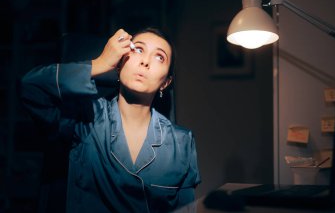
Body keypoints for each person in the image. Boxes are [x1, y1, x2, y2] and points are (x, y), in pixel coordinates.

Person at [21, 28, 201, 213]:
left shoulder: (182, 142)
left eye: (159, 57)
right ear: (119, 63)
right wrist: (100, 63)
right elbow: (31, 87)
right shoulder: (86, 118)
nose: (145, 61)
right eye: (138, 50)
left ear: (166, 82)